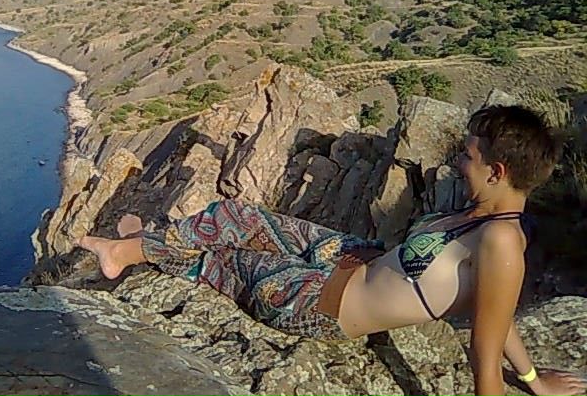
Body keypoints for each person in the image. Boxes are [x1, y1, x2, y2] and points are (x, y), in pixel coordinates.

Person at [78, 105, 586, 396]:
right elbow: (497, 309)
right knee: (238, 216)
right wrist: (533, 377)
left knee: (228, 260)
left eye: (469, 156)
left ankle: (127, 253)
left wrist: (530, 384)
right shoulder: (481, 213)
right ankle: (142, 241)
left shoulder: (501, 241)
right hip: (352, 259)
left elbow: (486, 343)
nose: (458, 161)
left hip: (324, 304)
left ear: (497, 171)